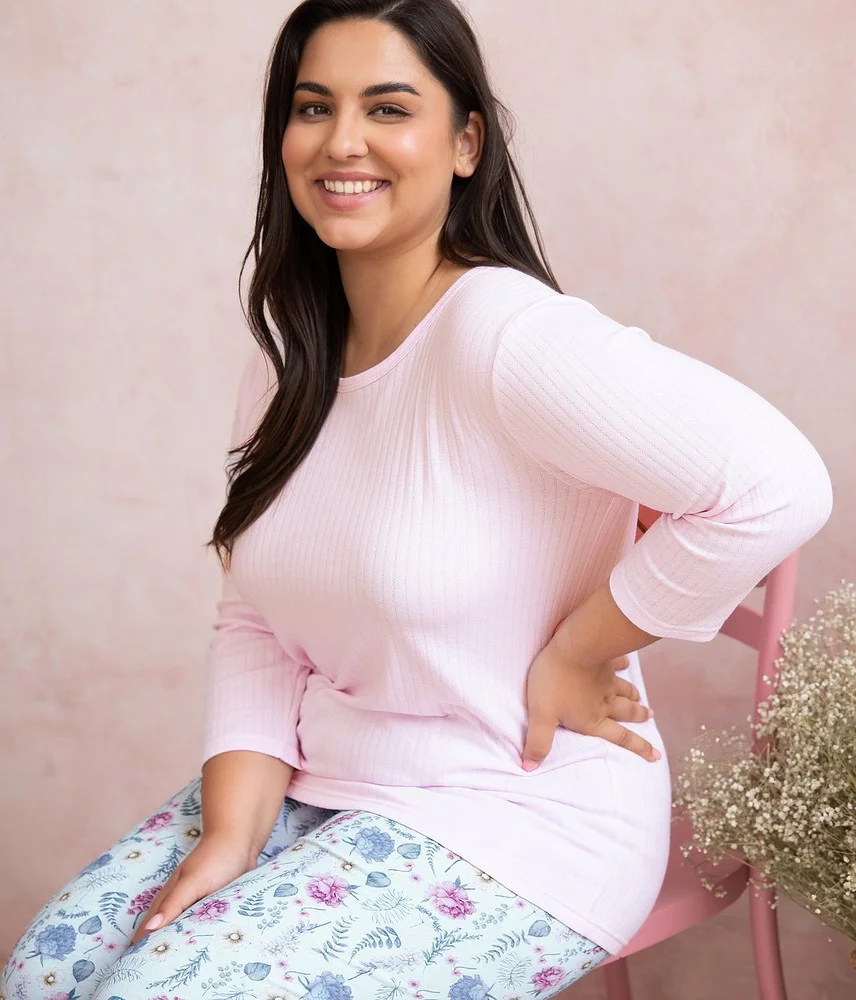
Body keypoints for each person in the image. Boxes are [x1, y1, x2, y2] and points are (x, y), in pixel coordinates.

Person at [2, 1, 834, 998]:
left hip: (523, 818)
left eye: (388, 108)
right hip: (328, 783)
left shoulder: (504, 336)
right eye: (314, 107)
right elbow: (258, 618)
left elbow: (776, 483)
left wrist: (579, 649)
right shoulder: (289, 361)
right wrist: (231, 836)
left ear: (465, 143)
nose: (342, 142)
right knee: (44, 972)